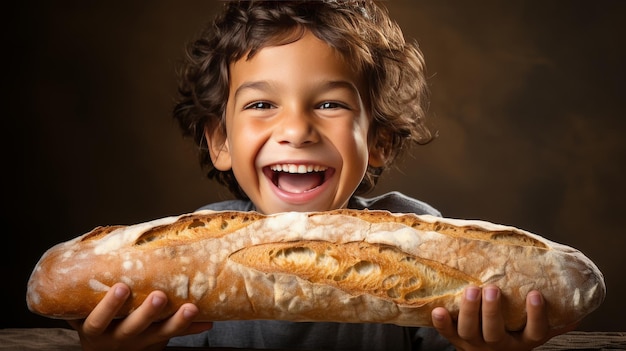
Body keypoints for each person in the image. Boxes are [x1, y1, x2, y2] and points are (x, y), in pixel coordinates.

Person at [67, 1, 575, 350]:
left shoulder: (416, 234)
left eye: (329, 103)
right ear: (219, 141)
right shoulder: (182, 266)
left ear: (377, 141)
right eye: (262, 104)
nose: (296, 129)